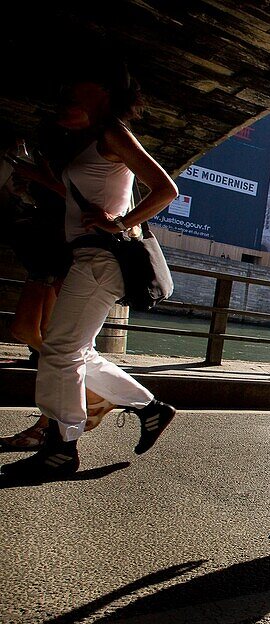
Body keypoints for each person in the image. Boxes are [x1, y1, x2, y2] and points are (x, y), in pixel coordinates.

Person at [1, 61, 179, 481]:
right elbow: (85, 195)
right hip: (90, 256)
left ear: (102, 91)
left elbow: (166, 189)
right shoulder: (93, 139)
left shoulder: (112, 131)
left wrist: (120, 222)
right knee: (75, 350)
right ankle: (150, 408)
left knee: (59, 350)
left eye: (75, 89)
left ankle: (61, 447)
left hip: (101, 258)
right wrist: (43, 179)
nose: (65, 96)